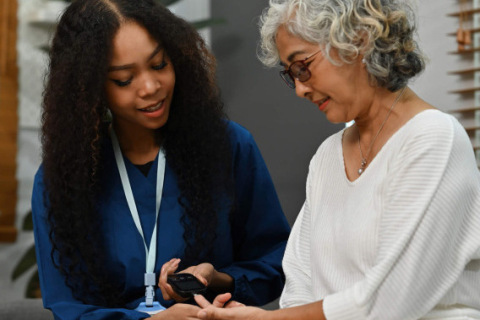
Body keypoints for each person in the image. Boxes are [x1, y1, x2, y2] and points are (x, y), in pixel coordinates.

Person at [194, 0, 480, 319]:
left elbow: (390, 303)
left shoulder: (433, 138)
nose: (299, 89)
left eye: (302, 66)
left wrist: (267, 319)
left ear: (358, 40)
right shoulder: (328, 155)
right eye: (291, 75)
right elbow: (299, 286)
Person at [31, 0, 290, 319]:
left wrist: (215, 279)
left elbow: (274, 265)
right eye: (124, 80)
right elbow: (67, 306)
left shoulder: (230, 146)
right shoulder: (61, 180)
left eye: (159, 65)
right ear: (91, 88)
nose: (151, 87)